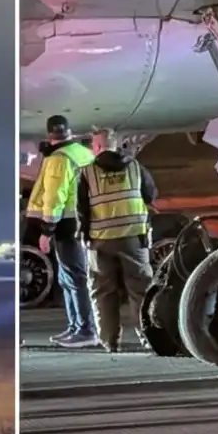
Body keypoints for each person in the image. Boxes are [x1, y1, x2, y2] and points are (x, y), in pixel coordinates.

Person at [77, 128, 158, 353]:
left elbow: (82, 210)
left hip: (100, 241)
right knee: (140, 290)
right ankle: (150, 337)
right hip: (134, 238)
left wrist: (84, 236)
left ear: (97, 147)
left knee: (103, 292)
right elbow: (151, 195)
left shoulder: (87, 173)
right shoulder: (135, 167)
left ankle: (110, 341)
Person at [24, 115, 98, 348]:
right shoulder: (84, 153)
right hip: (81, 220)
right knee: (72, 276)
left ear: (49, 135)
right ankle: (77, 326)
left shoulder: (58, 159)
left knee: (74, 277)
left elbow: (54, 196)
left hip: (65, 224)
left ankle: (85, 329)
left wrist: (47, 229)